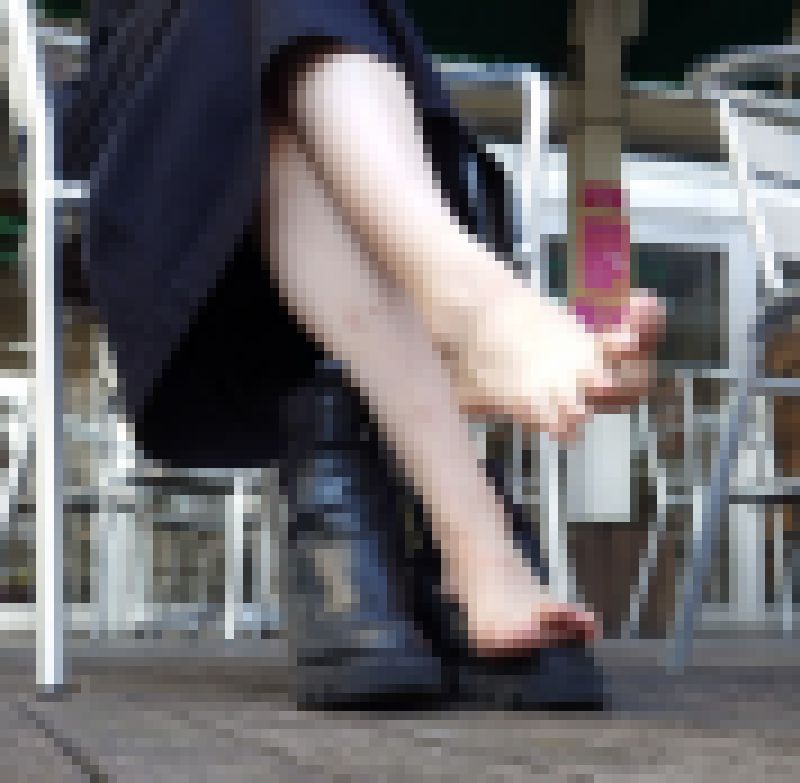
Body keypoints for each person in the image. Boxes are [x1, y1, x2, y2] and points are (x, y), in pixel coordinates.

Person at [65, 1, 662, 708]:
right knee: (253, 74)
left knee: (282, 95)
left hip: (339, 97)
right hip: (153, 126)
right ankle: (465, 330)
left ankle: (462, 315)